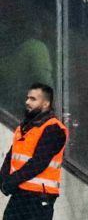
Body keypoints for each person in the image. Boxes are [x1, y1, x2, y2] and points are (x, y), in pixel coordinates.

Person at [2, 84, 65, 220]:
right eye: (27, 98)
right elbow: (11, 155)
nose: (27, 102)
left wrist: (10, 182)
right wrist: (4, 178)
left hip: (39, 196)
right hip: (20, 192)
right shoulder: (25, 127)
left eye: (33, 99)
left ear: (46, 103)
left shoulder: (54, 129)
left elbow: (38, 163)